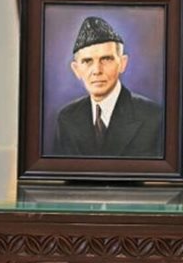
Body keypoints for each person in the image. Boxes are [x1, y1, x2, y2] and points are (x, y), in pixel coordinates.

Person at [52, 16, 164, 158]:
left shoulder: (153, 117)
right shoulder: (66, 118)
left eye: (106, 59)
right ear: (76, 69)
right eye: (87, 61)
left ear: (122, 63)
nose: (97, 70)